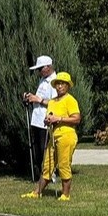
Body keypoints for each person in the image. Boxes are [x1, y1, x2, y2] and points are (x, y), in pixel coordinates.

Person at [22, 72, 81, 201]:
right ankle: (37, 192)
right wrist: (48, 120)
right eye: (58, 84)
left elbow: (76, 119)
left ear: (68, 86)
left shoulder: (70, 100)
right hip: (53, 136)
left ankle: (65, 195)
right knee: (47, 166)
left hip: (66, 135)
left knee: (64, 165)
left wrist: (58, 119)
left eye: (63, 84)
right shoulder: (52, 102)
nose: (60, 86)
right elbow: (50, 116)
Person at [23, 55, 57, 181]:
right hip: (36, 120)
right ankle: (41, 175)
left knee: (45, 149)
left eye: (40, 69)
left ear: (48, 67)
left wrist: (39, 99)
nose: (39, 72)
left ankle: (50, 174)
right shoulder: (42, 80)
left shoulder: (54, 81)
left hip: (45, 120)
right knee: (37, 149)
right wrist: (31, 98)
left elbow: (54, 102)